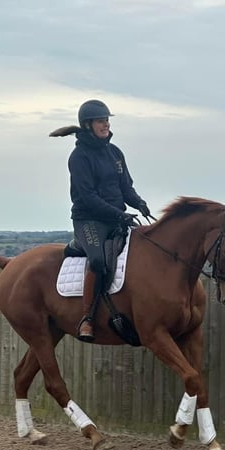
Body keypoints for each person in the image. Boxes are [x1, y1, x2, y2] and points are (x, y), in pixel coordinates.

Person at [50, 99, 151, 342]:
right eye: (100, 121)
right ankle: (87, 318)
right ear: (87, 125)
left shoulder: (115, 153)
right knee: (97, 261)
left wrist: (139, 203)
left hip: (117, 218)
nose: (106, 124)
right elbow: (88, 197)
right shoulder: (79, 157)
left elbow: (126, 187)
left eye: (107, 120)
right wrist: (118, 213)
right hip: (90, 221)